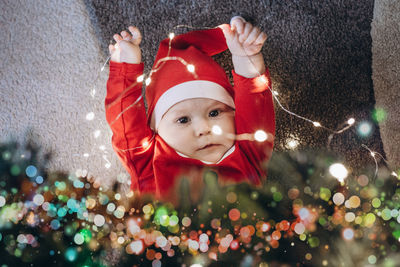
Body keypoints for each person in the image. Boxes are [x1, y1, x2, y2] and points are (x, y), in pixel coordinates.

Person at [105, 16, 275, 199]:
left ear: (235, 113)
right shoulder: (148, 162)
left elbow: (255, 99)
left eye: (214, 112)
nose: (203, 129)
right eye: (183, 120)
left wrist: (246, 57)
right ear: (156, 130)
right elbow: (124, 122)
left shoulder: (248, 151)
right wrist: (126, 68)